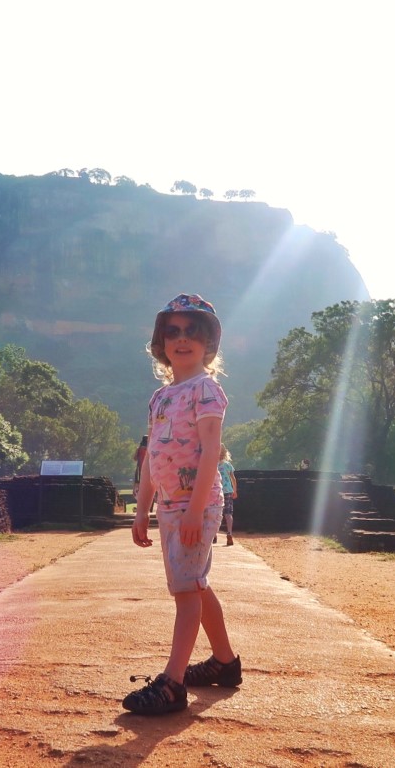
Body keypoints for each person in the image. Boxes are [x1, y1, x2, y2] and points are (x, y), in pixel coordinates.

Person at [124, 293, 242, 715]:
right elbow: (154, 458)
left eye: (193, 331)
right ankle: (226, 664)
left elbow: (211, 452)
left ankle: (172, 684)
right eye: (173, 332)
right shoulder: (159, 399)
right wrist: (142, 510)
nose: (182, 339)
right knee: (194, 583)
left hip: (198, 505)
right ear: (161, 343)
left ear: (209, 342)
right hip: (170, 507)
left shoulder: (206, 390)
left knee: (186, 590)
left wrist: (195, 509)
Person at [218, 445, 238, 546]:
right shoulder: (228, 465)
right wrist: (235, 490)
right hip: (228, 491)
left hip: (217, 491)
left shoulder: (213, 465)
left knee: (217, 513)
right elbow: (233, 479)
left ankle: (214, 534)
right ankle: (229, 533)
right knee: (228, 513)